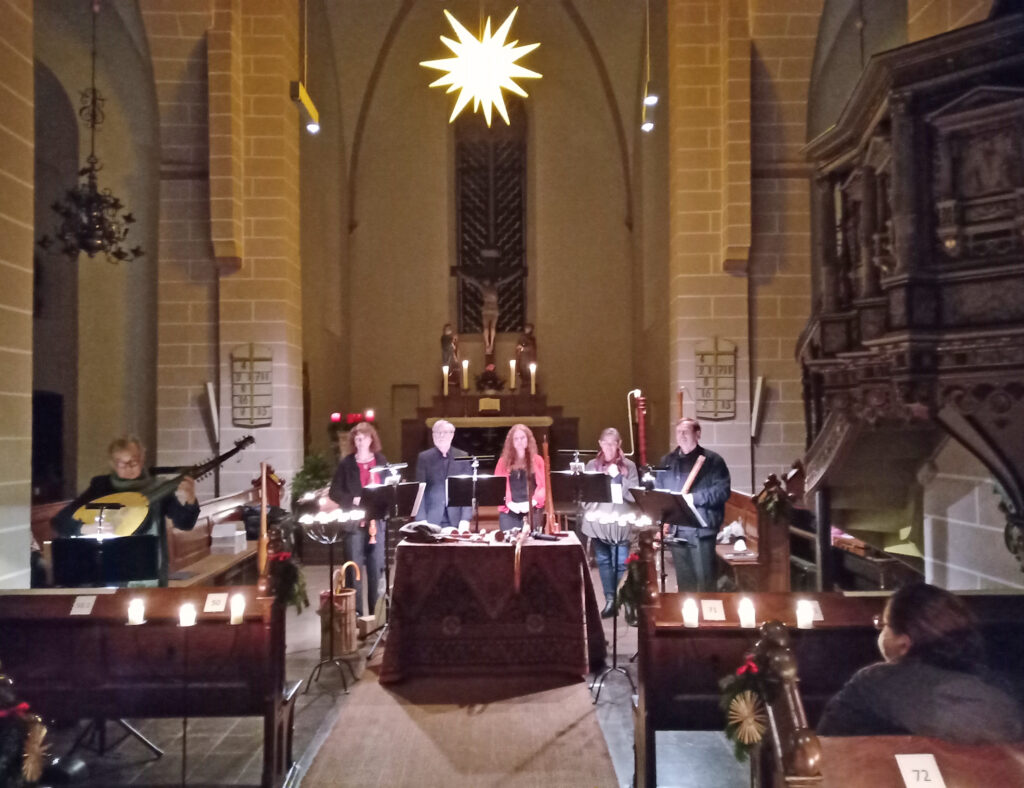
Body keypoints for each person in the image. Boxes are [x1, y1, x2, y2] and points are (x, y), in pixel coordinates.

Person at [818, 583, 1024, 743]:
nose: (880, 631)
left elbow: (827, 741)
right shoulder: (997, 682)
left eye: (884, 624)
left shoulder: (873, 683)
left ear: (904, 643)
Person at [51, 435, 199, 586]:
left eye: (133, 462)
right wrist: (84, 528)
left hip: (148, 568)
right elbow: (60, 521)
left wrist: (190, 500)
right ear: (113, 465)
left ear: (142, 460)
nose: (128, 468)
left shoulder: (158, 487)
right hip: (111, 567)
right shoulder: (101, 487)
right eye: (122, 464)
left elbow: (185, 524)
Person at [655, 417, 731, 592]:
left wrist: (694, 498)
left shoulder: (713, 461)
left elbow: (722, 492)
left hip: (701, 531)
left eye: (686, 432)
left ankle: (708, 619)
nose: (681, 436)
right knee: (685, 584)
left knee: (705, 583)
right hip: (677, 530)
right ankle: (688, 618)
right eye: (678, 432)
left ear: (698, 434)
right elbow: (660, 488)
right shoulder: (667, 461)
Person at [327, 422, 388, 617]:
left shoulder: (380, 460)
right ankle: (357, 617)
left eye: (363, 437)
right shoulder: (347, 464)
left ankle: (376, 616)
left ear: (371, 439)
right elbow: (334, 492)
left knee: (376, 570)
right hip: (354, 524)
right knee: (354, 571)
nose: (359, 441)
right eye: (356, 438)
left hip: (376, 523)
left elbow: (388, 486)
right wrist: (352, 499)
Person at [583, 427, 639, 617]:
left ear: (619, 445)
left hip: (620, 523)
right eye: (605, 443)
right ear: (599, 444)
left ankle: (619, 597)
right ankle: (610, 601)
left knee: (621, 563)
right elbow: (584, 493)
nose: (608, 447)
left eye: (612, 443)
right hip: (598, 523)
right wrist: (588, 504)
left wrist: (617, 477)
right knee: (604, 562)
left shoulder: (629, 466)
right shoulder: (592, 465)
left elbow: (633, 495)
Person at [415, 419, 472, 531]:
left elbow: (467, 490)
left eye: (444, 432)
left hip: (456, 519)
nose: (440, 435)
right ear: (432, 435)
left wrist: (465, 519)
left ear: (452, 435)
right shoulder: (424, 458)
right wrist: (421, 519)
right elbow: (419, 490)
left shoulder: (462, 456)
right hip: (431, 518)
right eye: (437, 432)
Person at [494, 423, 546, 532]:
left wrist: (533, 502)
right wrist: (509, 503)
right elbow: (498, 487)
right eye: (516, 439)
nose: (519, 441)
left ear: (528, 440)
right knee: (509, 545)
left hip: (532, 509)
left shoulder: (538, 460)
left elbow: (543, 486)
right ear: (511, 442)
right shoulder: (502, 462)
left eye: (522, 438)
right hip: (510, 511)